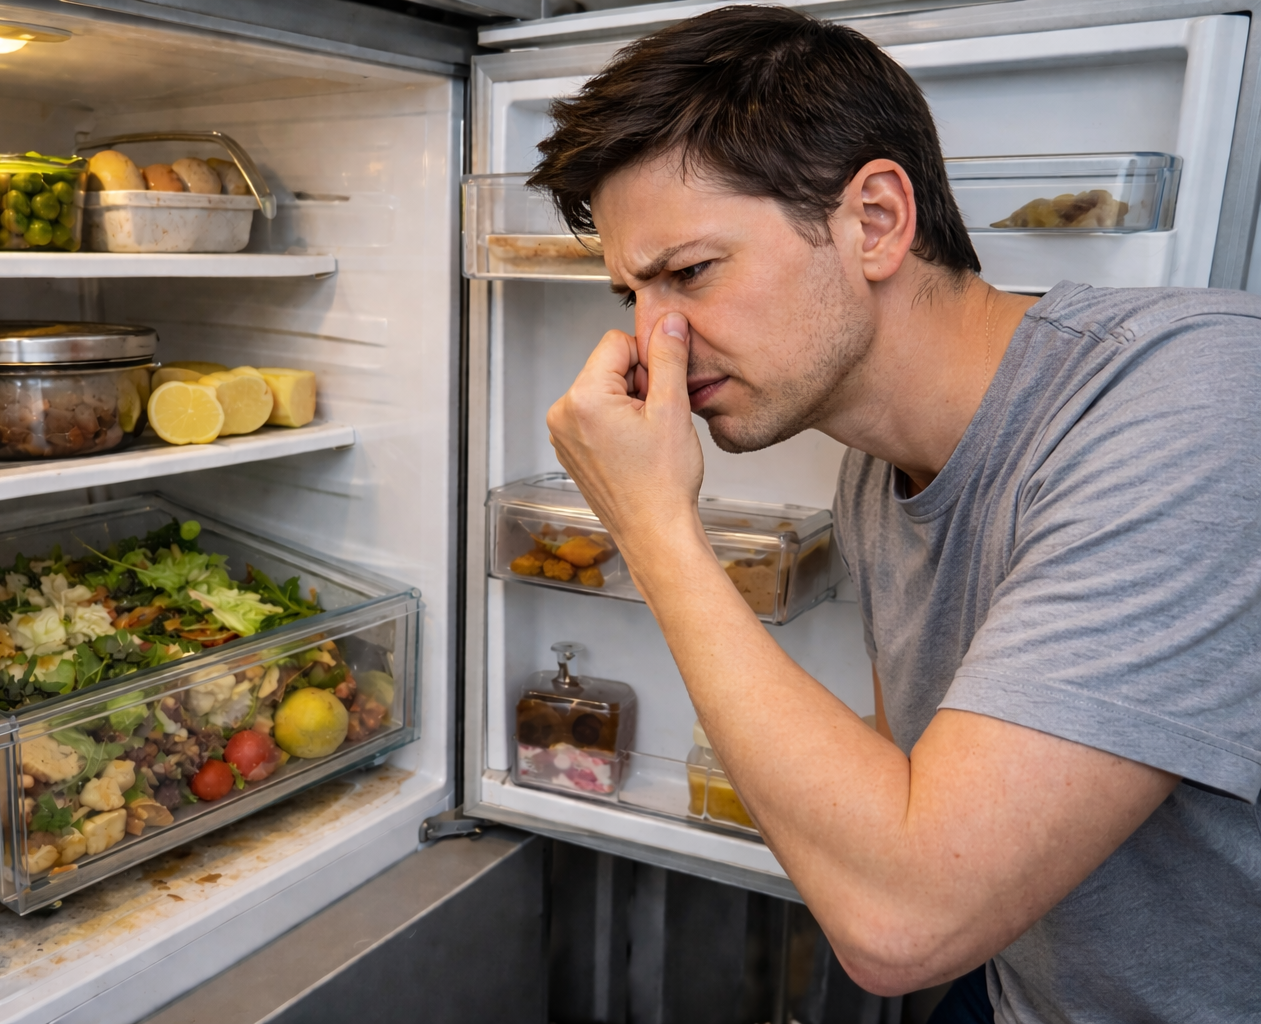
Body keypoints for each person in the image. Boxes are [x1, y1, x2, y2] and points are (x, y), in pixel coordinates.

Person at [531, 6, 1261, 1023]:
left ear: (874, 221)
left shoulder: (1201, 401)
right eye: (632, 297)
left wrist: (653, 529)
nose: (656, 342)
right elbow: (909, 796)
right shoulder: (874, 481)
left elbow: (904, 922)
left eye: (690, 273)